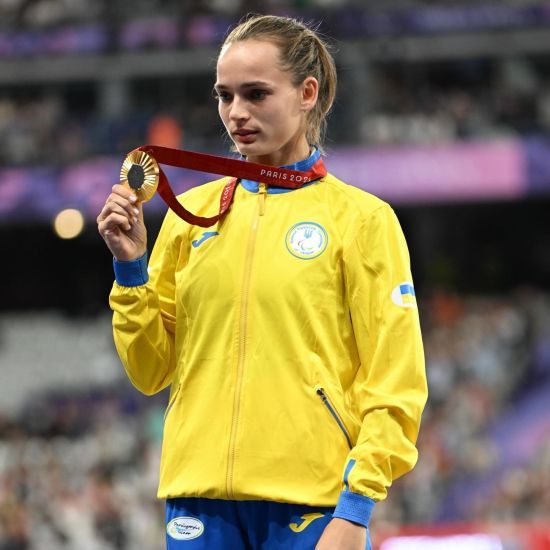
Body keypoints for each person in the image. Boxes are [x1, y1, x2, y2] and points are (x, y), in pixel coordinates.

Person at [97, 14, 427, 550]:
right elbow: (150, 371)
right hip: (198, 502)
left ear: (307, 93)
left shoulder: (363, 221)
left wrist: (357, 508)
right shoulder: (191, 215)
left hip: (312, 505)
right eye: (224, 96)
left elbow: (396, 382)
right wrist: (131, 269)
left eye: (255, 94)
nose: (236, 113)